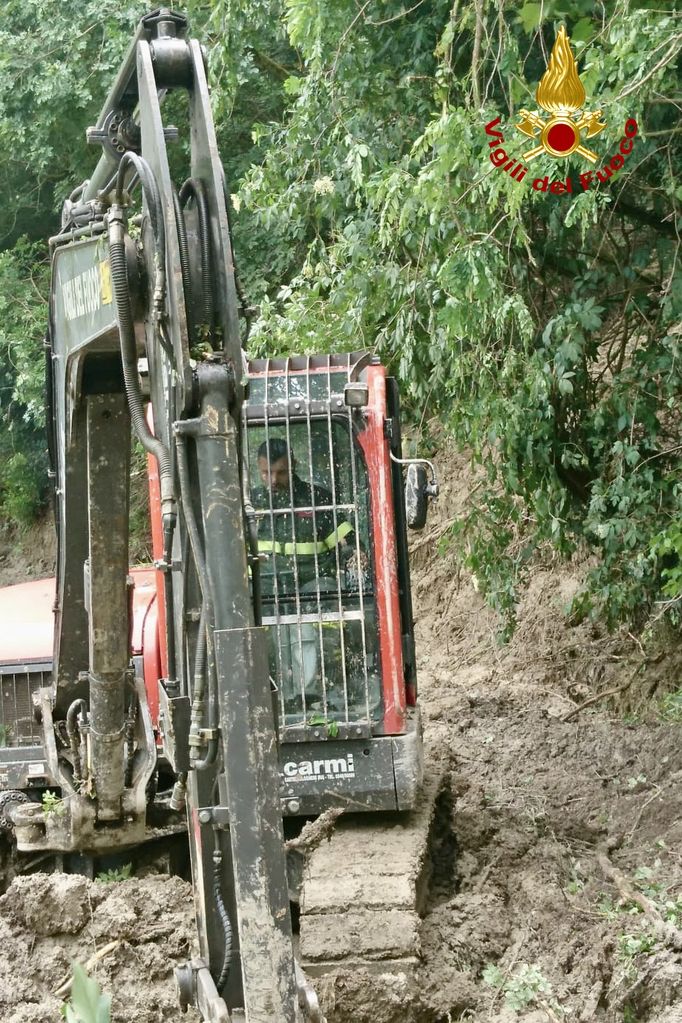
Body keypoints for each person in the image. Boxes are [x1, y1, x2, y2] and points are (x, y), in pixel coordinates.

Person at [252, 438, 355, 591]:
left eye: (281, 472)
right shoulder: (250, 504)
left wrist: (355, 554)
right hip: (263, 584)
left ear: (293, 465)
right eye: (267, 473)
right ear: (258, 467)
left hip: (313, 583)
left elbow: (348, 541)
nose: (273, 480)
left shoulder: (318, 499)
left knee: (325, 591)